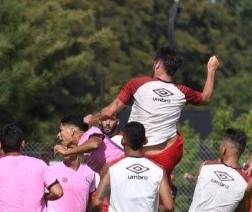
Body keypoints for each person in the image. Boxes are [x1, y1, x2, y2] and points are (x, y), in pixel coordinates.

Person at [85, 46, 219, 176]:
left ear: (157, 65)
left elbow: (109, 112)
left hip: (139, 153)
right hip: (168, 155)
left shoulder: (138, 83)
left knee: (107, 151)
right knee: (160, 189)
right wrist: (211, 69)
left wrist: (93, 119)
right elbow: (206, 98)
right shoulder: (182, 91)